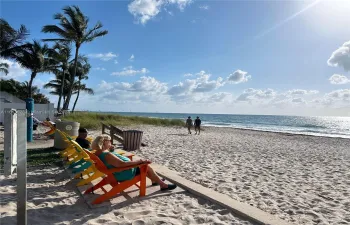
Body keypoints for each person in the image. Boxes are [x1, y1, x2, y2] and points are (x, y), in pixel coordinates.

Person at [91, 135, 177, 191]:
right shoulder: (107, 155)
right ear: (104, 142)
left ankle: (155, 180)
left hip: (115, 172)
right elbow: (121, 164)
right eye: (109, 141)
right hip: (124, 173)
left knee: (143, 166)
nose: (111, 142)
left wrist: (110, 149)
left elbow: (112, 161)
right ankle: (162, 185)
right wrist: (139, 161)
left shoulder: (98, 153)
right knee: (145, 166)